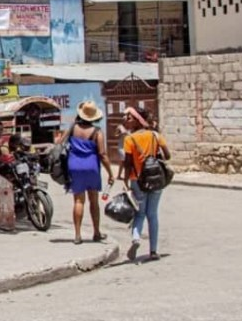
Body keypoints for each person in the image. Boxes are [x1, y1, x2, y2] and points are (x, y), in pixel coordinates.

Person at [122, 106, 171, 263]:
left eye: (130, 118)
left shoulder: (129, 139)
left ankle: (136, 239)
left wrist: (125, 180)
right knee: (153, 214)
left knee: (140, 213)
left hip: (137, 180)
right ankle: (154, 251)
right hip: (156, 179)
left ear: (137, 120)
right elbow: (168, 156)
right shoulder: (155, 136)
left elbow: (128, 163)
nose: (127, 121)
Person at [61, 101, 114, 244]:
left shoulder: (72, 129)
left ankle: (77, 235)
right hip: (91, 167)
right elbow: (102, 154)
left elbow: (60, 142)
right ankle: (96, 232)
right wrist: (110, 173)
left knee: (78, 201)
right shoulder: (97, 132)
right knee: (94, 201)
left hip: (74, 166)